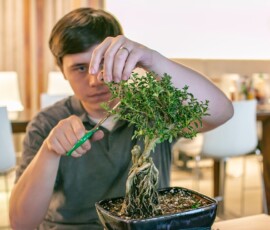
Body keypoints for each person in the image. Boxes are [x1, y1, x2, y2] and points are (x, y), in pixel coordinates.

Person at [9, 7, 233, 230]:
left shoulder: (151, 110)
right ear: (62, 70)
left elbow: (222, 112)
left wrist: (151, 59)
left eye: (103, 62)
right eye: (79, 67)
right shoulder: (47, 123)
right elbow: (21, 223)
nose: (95, 80)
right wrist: (50, 150)